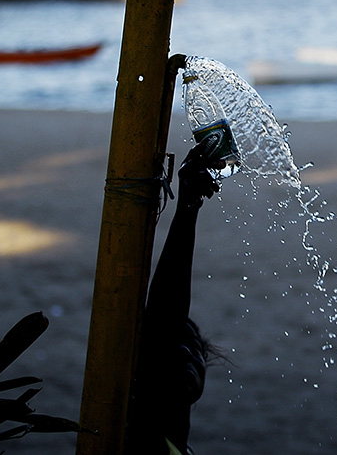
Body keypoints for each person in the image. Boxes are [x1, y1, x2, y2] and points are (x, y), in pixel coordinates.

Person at [130, 139, 225, 455]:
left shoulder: (176, 446)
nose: (183, 350)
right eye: (172, 344)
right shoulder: (143, 435)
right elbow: (165, 315)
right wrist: (187, 207)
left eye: (194, 348)